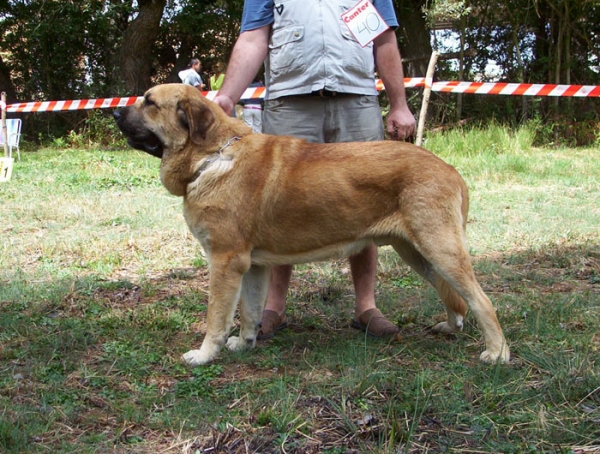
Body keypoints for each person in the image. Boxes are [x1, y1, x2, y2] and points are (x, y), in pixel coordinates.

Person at [214, 0, 416, 340]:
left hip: (357, 99)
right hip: (290, 102)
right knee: (277, 206)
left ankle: (366, 306)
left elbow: (383, 40)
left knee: (367, 201)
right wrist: (226, 97)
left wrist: (399, 104)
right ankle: (273, 308)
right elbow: (253, 39)